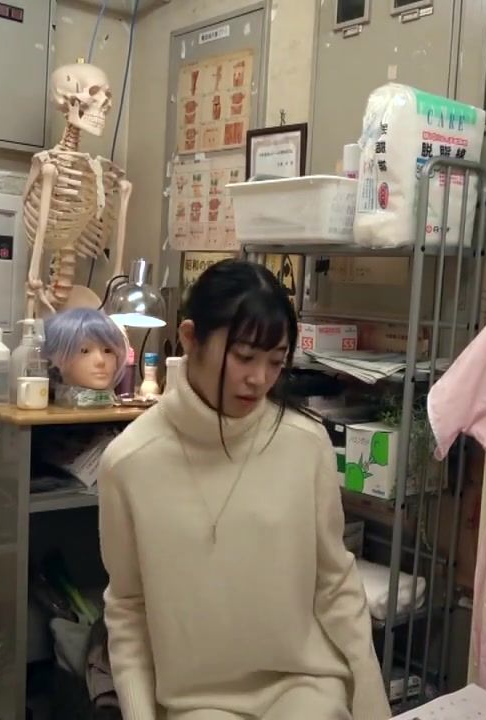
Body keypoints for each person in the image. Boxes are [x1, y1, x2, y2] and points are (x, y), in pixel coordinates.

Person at [97, 260, 390, 720]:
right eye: (244, 356)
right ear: (190, 338)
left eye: (275, 361)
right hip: (199, 702)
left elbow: (336, 584)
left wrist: (374, 709)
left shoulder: (305, 443)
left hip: (304, 684)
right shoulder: (130, 462)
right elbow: (128, 610)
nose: (259, 379)